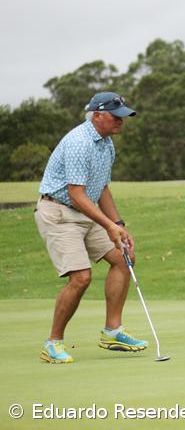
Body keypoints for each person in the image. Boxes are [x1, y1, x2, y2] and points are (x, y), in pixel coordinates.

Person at [35, 92, 148, 363]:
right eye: (116, 116)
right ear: (97, 115)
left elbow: (101, 188)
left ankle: (112, 331)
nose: (121, 121)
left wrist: (118, 225)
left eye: (123, 116)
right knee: (81, 277)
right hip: (60, 212)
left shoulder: (106, 144)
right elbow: (76, 194)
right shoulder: (79, 142)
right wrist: (108, 225)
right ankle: (52, 343)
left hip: (86, 211)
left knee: (124, 258)